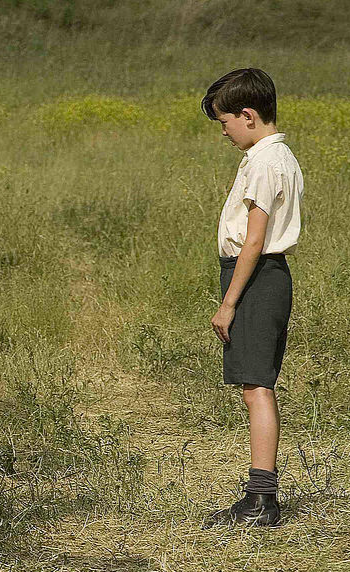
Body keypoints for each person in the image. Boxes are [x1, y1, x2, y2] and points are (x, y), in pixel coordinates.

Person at [201, 68, 303, 526]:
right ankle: (260, 496)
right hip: (261, 275)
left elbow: (255, 239)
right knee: (254, 385)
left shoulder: (265, 162)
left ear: (248, 115)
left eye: (225, 122)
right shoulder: (275, 157)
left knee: (257, 388)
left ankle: (262, 500)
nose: (223, 132)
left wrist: (228, 303)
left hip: (257, 276)